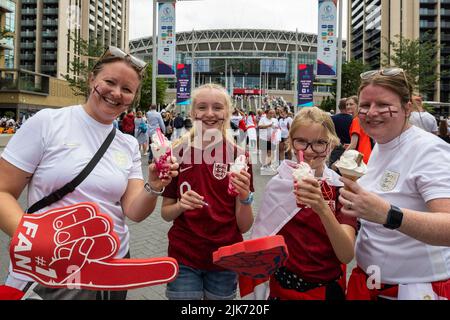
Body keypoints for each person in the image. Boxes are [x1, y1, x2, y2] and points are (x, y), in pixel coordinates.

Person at [0, 46, 179, 300]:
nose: (116, 93)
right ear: (92, 79)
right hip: (50, 268)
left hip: (111, 270)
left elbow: (135, 211)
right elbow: (3, 191)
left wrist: (154, 185)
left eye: (127, 89)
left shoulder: (127, 144)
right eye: (110, 82)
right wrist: (41, 242)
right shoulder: (48, 122)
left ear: (133, 97)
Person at [339, 68, 450, 300]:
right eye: (365, 105)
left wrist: (387, 213)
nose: (371, 112)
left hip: (417, 290)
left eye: (382, 104)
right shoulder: (381, 143)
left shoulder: (429, 149)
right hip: (372, 286)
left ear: (407, 107)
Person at [242, 107, 356, 300]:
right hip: (282, 289)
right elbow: (262, 242)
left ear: (332, 144)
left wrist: (321, 207)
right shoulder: (277, 185)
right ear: (291, 144)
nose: (310, 151)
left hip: (326, 290)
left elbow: (346, 255)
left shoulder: (341, 188)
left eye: (320, 143)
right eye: (302, 141)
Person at [160, 83, 254, 300]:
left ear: (228, 112)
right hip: (184, 256)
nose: (209, 114)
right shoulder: (176, 153)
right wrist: (181, 205)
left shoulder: (239, 157)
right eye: (202, 107)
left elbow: (244, 225)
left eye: (217, 108)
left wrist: (244, 197)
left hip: (225, 258)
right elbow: (166, 214)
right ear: (192, 112)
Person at [346, 96, 373, 165]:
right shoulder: (362, 119)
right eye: (347, 104)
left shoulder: (356, 120)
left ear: (358, 105)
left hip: (360, 158)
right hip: (367, 155)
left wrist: (341, 158)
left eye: (351, 104)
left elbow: (353, 144)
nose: (348, 106)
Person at [329, 98, 353, 169]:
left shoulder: (332, 119)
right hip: (350, 149)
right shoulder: (353, 119)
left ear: (339, 107)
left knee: (333, 172)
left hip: (336, 148)